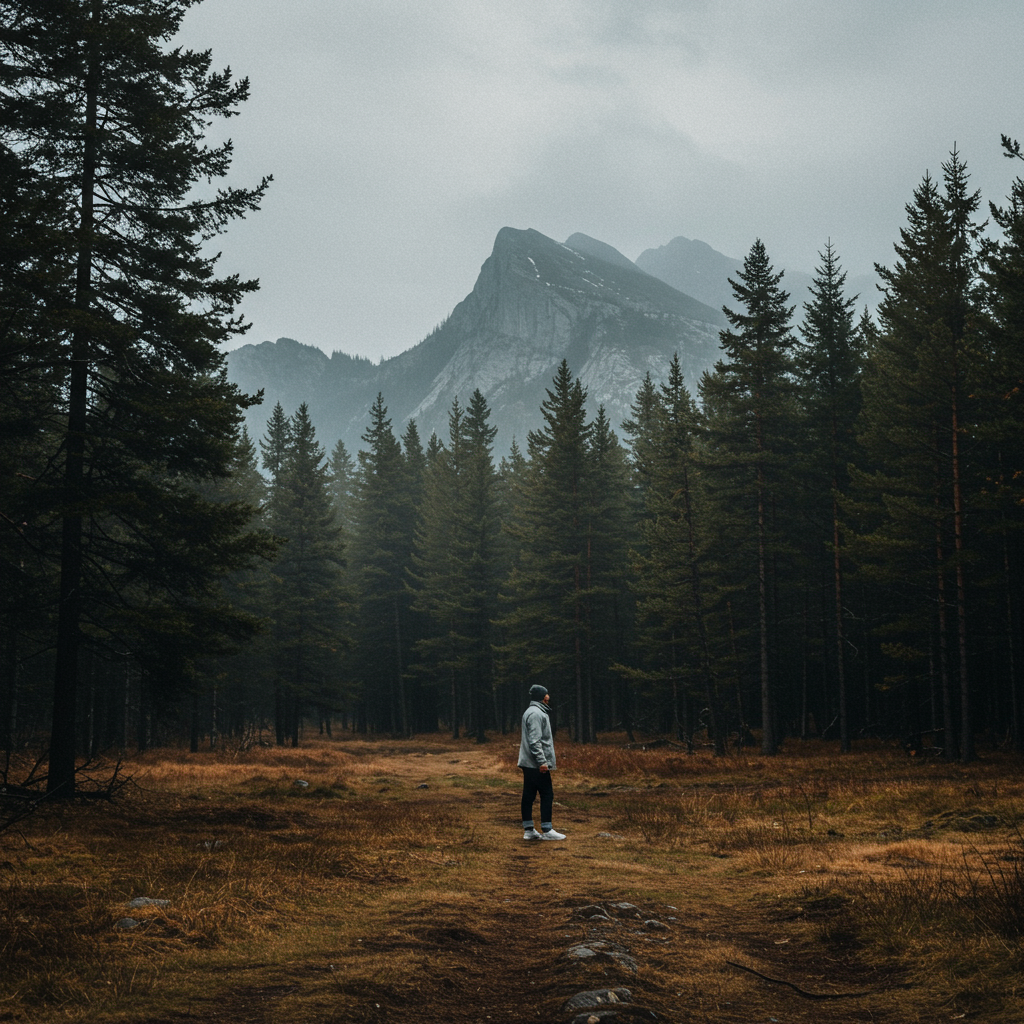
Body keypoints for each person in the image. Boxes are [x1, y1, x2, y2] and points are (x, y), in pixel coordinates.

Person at [518, 684, 566, 840]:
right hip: (536, 764)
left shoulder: (532, 712)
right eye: (547, 694)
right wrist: (542, 762)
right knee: (547, 794)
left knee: (529, 795)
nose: (549, 696)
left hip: (530, 763)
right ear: (543, 697)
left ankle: (529, 830)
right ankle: (547, 829)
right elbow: (534, 741)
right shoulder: (537, 714)